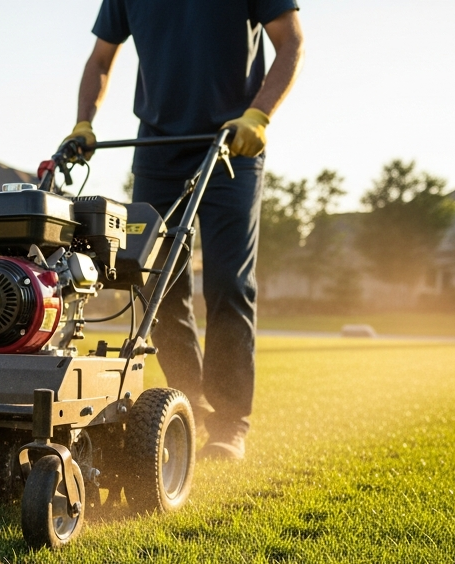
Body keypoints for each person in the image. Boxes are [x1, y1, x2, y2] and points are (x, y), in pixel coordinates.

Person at [65, 1, 304, 461]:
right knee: (156, 282)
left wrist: (259, 115)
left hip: (233, 142)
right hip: (157, 147)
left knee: (228, 281)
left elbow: (291, 42)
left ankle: (231, 424)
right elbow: (100, 59)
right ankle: (189, 403)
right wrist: (84, 122)